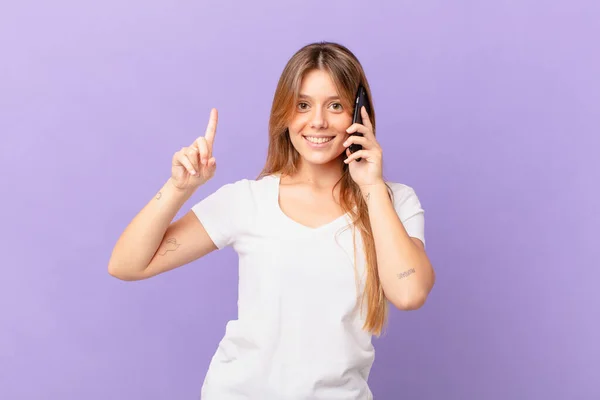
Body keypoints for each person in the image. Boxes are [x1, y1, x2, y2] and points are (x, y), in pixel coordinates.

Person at [108, 41, 436, 400]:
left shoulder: (392, 201)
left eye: (336, 106)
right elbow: (126, 265)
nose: (318, 121)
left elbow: (408, 293)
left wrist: (371, 185)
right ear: (285, 114)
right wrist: (178, 188)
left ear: (359, 116)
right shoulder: (248, 200)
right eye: (303, 105)